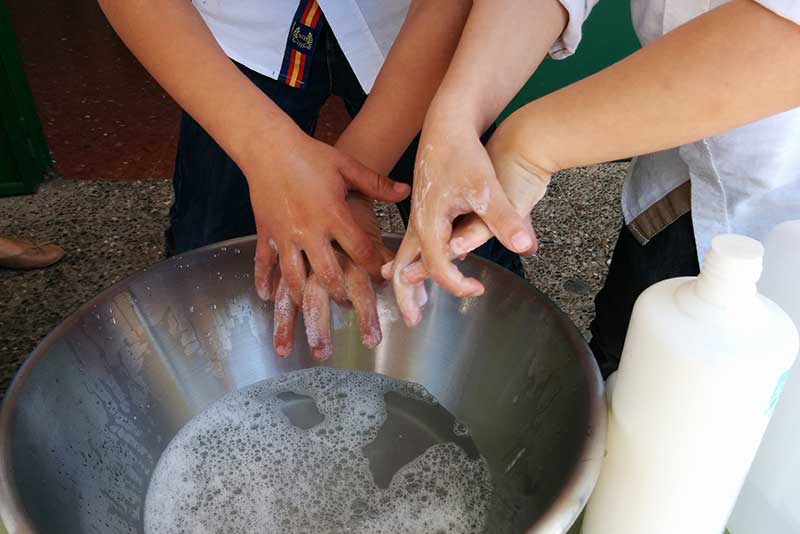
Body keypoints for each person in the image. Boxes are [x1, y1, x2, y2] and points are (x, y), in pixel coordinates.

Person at [387, 0, 800, 377]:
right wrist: (458, 114)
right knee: (628, 350)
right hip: (671, 175)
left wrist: (528, 147)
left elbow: (787, 39)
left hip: (780, 218)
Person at [97, 0, 523, 360]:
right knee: (207, 258)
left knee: (471, 246)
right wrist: (266, 151)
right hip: (233, 37)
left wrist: (341, 189)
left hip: (414, 31)